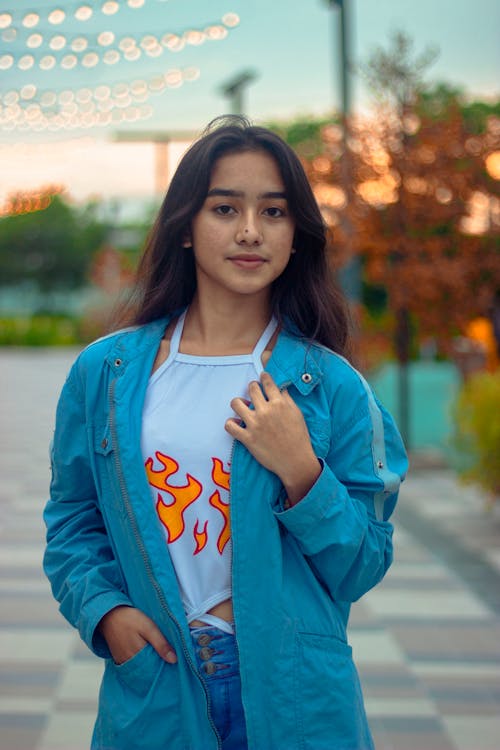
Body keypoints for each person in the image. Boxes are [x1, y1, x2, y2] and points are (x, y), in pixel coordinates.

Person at [44, 115, 408, 750]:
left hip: (293, 692)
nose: (249, 231)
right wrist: (106, 614)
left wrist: (303, 471)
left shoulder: (331, 386)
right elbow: (73, 518)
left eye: (273, 211)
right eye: (223, 208)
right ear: (186, 226)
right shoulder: (106, 374)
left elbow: (363, 564)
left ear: (297, 235)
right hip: (156, 681)